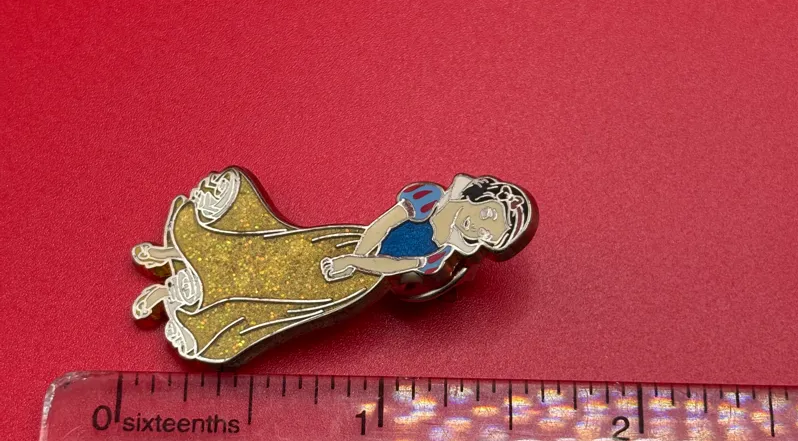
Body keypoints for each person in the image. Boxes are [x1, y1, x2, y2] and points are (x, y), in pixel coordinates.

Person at [132, 168, 536, 364]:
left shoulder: (440, 258)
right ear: (478, 197)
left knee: (277, 299)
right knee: (272, 251)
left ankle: (181, 297)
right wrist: (352, 253)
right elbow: (384, 224)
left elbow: (392, 265)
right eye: (488, 214)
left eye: (491, 233)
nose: (481, 226)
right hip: (348, 244)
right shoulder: (429, 198)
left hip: (356, 280)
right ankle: (173, 257)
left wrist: (352, 263)